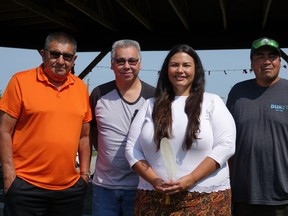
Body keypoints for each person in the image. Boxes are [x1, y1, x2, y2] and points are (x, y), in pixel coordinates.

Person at [125, 44, 236, 215]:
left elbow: (226, 145)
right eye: (174, 65)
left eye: (186, 65)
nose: (180, 70)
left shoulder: (212, 102)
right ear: (166, 70)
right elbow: (132, 149)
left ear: (196, 70)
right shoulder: (150, 105)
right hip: (153, 196)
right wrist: (154, 180)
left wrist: (191, 179)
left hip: (205, 198)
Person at [0, 32, 92, 216]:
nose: (60, 61)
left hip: (69, 190)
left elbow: (84, 136)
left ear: (74, 59)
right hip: (26, 186)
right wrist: (9, 177)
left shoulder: (81, 88)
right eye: (54, 54)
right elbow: (4, 130)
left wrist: (84, 175)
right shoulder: (21, 81)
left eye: (67, 56)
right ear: (43, 54)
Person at [89, 39, 155, 216]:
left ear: (139, 64)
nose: (127, 66)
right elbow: (92, 133)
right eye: (120, 61)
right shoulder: (98, 94)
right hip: (104, 188)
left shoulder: (154, 96)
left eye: (132, 61)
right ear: (112, 65)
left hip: (141, 187)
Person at [226, 37, 288, 216]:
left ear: (279, 62)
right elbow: (226, 140)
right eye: (260, 56)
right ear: (252, 63)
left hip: (283, 196)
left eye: (272, 56)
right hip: (243, 194)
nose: (267, 61)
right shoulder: (237, 92)